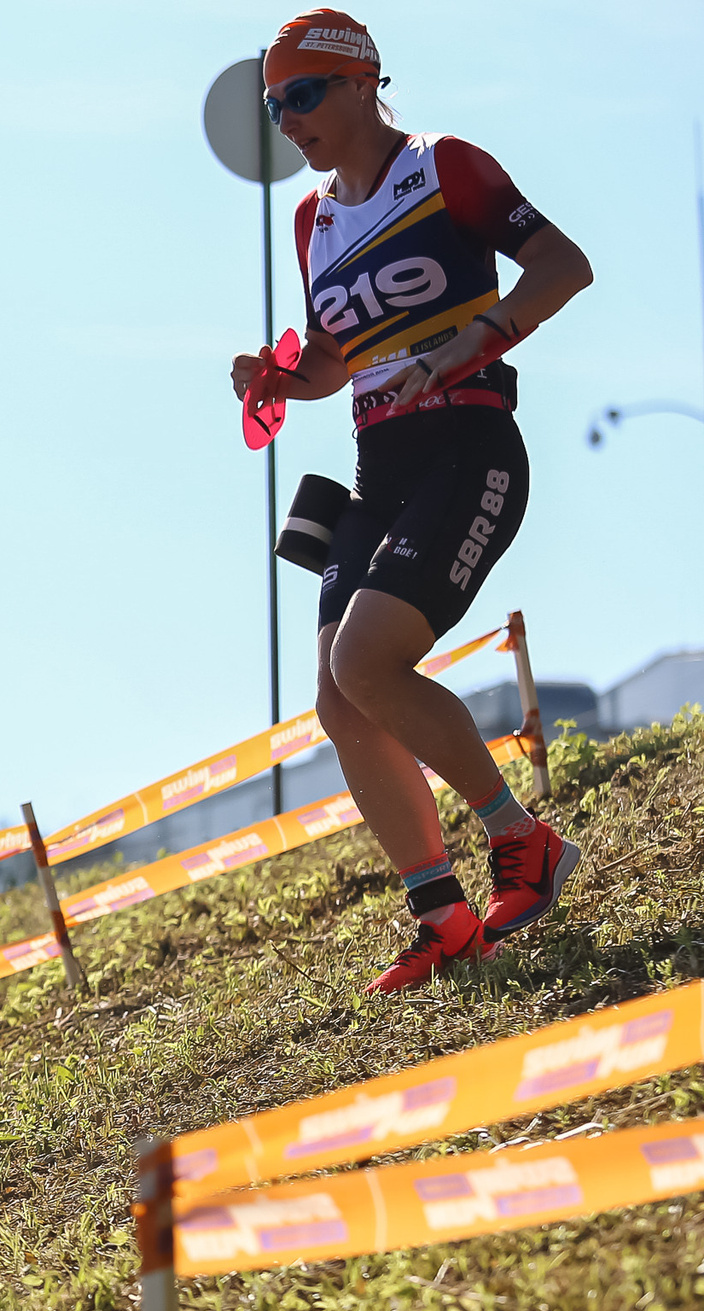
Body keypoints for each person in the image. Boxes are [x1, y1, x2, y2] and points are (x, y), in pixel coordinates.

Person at [229, 9, 592, 994]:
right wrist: (276, 378)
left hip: (469, 450)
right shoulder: (312, 221)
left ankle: (523, 843)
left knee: (366, 660)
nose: (287, 118)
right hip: (377, 472)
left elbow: (564, 265)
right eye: (273, 104)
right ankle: (441, 915)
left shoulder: (443, 166)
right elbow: (334, 362)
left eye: (301, 94)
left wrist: (485, 336)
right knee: (339, 699)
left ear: (361, 83)